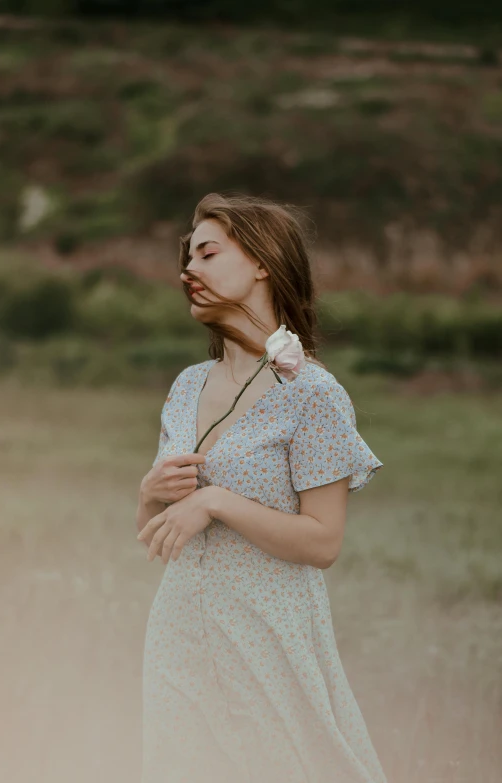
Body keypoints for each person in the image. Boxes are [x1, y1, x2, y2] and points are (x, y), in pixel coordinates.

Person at [136, 193, 387, 783]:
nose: (187, 270)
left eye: (207, 252)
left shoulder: (313, 393)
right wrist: (151, 491)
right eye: (185, 257)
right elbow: (151, 532)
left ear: (262, 262)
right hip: (178, 635)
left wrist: (217, 500)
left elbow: (323, 543)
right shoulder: (186, 384)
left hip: (268, 640)